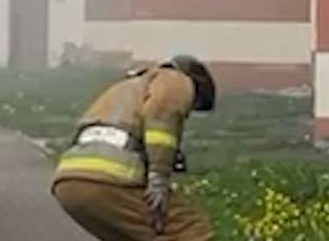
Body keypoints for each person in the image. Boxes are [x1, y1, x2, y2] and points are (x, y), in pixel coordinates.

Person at [50, 55, 217, 240]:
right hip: (109, 180)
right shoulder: (175, 80)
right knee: (191, 229)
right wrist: (158, 177)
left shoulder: (128, 86)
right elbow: (162, 117)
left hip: (68, 183)